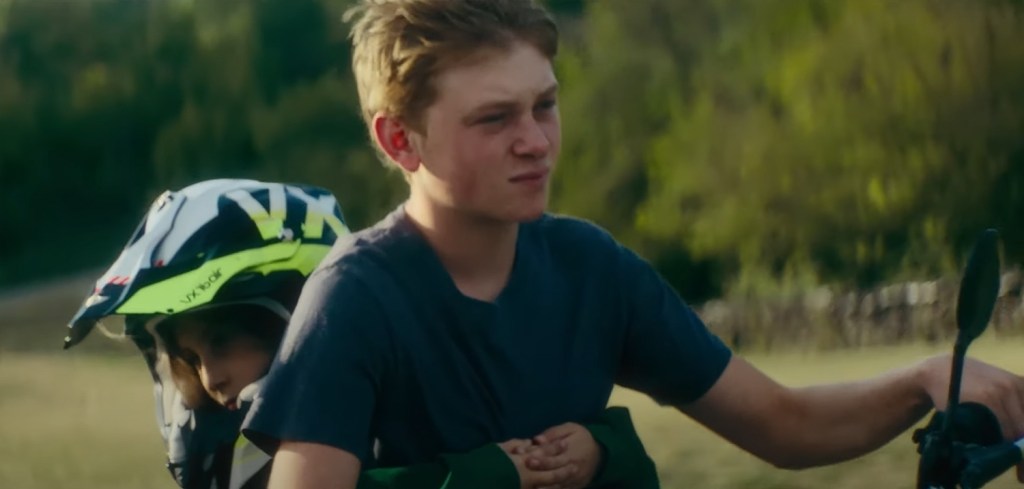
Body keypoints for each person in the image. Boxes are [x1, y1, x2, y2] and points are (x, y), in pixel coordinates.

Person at [236, 1, 1024, 488]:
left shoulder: (590, 268)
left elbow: (785, 424)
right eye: (495, 118)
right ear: (399, 137)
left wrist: (926, 378)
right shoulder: (357, 297)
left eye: (545, 105)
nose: (536, 141)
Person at [64, 178, 658, 489]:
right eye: (189, 359)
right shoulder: (242, 463)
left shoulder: (395, 387)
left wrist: (603, 449)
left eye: (220, 343)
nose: (208, 375)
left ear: (297, 316)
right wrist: (483, 476)